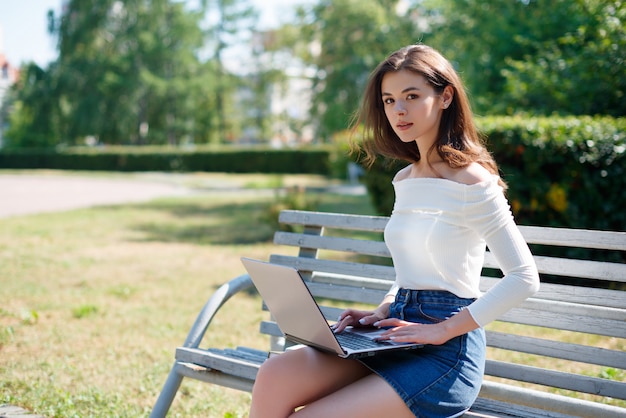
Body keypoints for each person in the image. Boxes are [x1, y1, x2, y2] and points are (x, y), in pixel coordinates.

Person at [248, 44, 540, 418]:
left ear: (445, 96)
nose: (398, 111)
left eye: (411, 96)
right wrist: (381, 309)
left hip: (446, 354)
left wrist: (442, 330)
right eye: (389, 100)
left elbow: (524, 277)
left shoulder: (473, 182)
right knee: (275, 373)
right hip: (393, 331)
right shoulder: (405, 178)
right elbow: (409, 271)